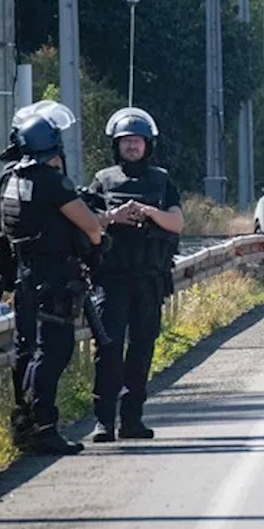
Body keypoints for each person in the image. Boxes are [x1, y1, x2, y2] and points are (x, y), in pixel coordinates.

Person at [0, 102, 105, 454]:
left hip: (26, 277)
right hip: (54, 279)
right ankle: (42, 426)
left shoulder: (10, 179)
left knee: (27, 351)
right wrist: (94, 239)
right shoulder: (51, 181)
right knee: (54, 351)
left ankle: (23, 423)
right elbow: (90, 227)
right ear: (52, 145)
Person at [87, 108, 183, 443]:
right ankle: (103, 422)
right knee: (109, 349)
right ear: (117, 145)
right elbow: (88, 222)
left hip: (149, 280)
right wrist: (114, 217)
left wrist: (149, 213)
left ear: (147, 145)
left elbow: (177, 222)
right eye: (126, 141)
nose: (132, 147)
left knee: (142, 349)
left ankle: (132, 420)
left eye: (137, 141)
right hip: (111, 280)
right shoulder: (102, 180)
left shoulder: (162, 180)